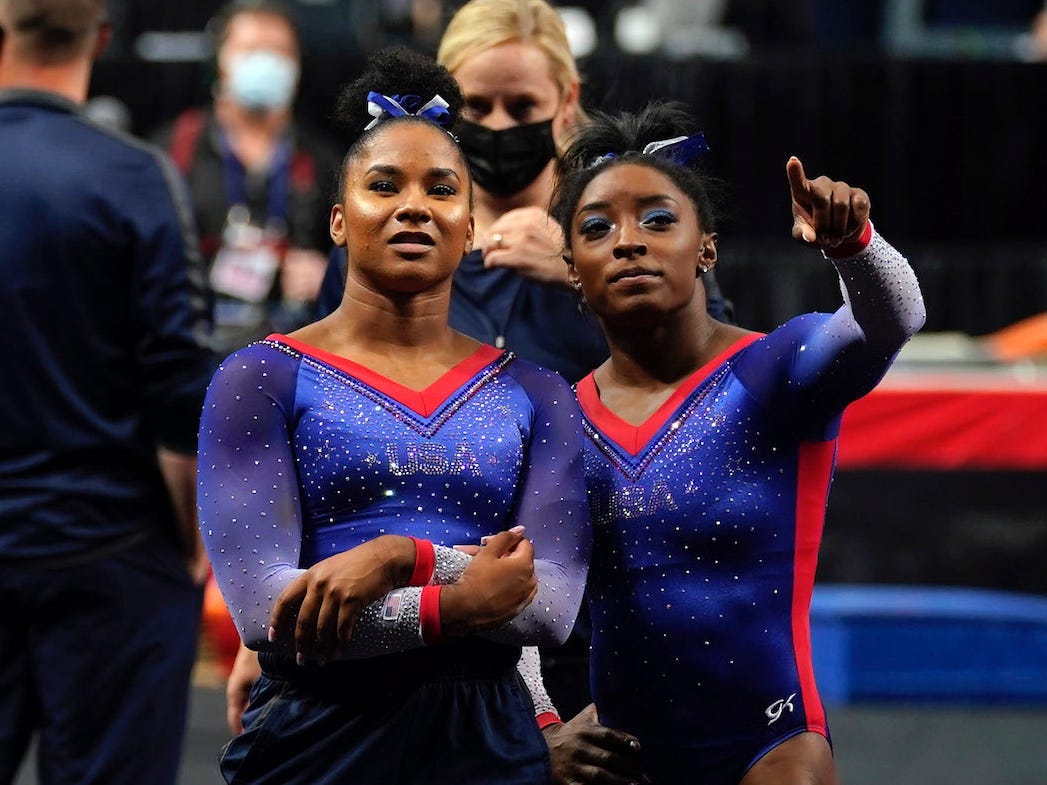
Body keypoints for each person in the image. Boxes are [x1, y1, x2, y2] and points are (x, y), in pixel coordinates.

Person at [197, 46, 592, 785]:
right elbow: (265, 609)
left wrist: (397, 560)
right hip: (315, 737)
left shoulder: (536, 392)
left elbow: (549, 610)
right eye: (385, 185)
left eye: (441, 188)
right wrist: (457, 602)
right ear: (340, 221)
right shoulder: (260, 376)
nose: (413, 204)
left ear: (468, 227)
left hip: (488, 741)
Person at [542, 100, 926, 784]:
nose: (629, 240)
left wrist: (854, 246)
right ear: (572, 266)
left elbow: (892, 319)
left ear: (706, 249)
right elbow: (510, 603)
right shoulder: (558, 425)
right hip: (622, 763)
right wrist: (542, 729)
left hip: (771, 746)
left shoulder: (773, 371)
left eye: (658, 220)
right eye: (598, 229)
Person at [0, 1, 214, 784]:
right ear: (101, 35)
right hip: (109, 554)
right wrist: (193, 540)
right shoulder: (133, 175)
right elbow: (175, 381)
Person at [316, 0, 734, 385]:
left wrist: (583, 270)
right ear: (444, 106)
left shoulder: (630, 223)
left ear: (566, 100)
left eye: (522, 107)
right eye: (477, 107)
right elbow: (329, 381)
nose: (499, 126)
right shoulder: (388, 229)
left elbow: (715, 378)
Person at [151, 0, 341, 360]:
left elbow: (356, 265)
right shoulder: (172, 152)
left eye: (280, 52)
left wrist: (331, 275)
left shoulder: (324, 162)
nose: (266, 63)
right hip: (193, 349)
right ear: (220, 62)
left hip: (295, 352)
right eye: (252, 50)